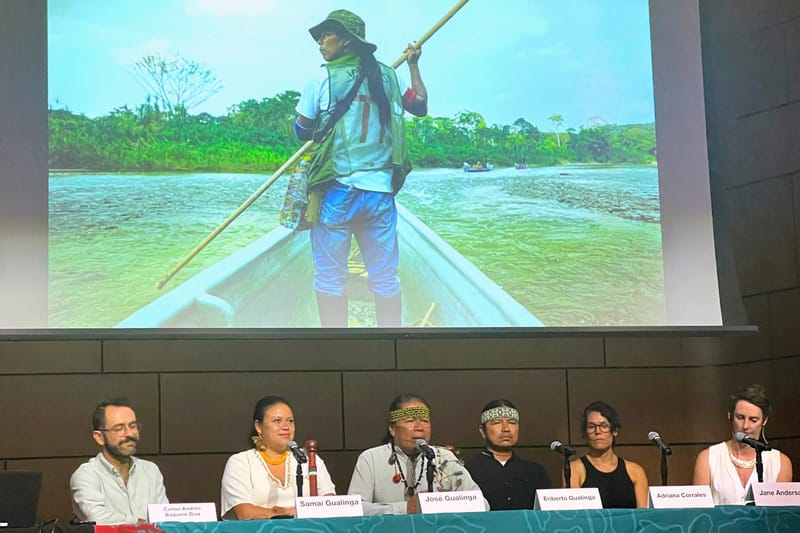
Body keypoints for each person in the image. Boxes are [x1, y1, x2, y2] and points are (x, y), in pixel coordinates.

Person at [295, 9, 428, 328]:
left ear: (346, 39)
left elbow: (303, 130)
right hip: (380, 196)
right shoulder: (388, 76)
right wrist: (413, 65)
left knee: (330, 280)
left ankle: (336, 352)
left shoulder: (323, 77)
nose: (320, 43)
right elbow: (420, 105)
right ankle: (390, 348)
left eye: (326, 35)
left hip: (339, 193)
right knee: (385, 279)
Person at [348, 393, 487, 514]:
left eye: (425, 421)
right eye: (410, 421)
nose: (419, 428)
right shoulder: (371, 458)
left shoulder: (444, 458)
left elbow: (483, 504)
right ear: (392, 429)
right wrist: (404, 509)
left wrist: (448, 503)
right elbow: (355, 509)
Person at [220, 396, 336, 519]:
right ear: (258, 426)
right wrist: (291, 512)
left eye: (290, 421)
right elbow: (245, 513)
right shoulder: (242, 462)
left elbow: (330, 504)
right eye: (277, 421)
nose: (286, 427)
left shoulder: (308, 458)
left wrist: (282, 511)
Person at [70, 399, 168, 524]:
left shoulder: (150, 471)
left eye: (133, 426)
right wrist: (140, 523)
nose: (130, 433)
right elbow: (97, 519)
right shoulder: (86, 475)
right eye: (119, 428)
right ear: (99, 437)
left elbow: (164, 519)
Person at [692, 384, 793, 505]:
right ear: (730, 416)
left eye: (753, 420)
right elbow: (698, 513)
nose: (745, 426)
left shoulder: (780, 462)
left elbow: (780, 516)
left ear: (764, 420)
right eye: (740, 417)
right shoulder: (708, 458)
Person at [465, 399, 550, 510]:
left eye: (512, 423)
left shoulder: (535, 471)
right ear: (482, 431)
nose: (506, 429)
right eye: (497, 423)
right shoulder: (469, 471)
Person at [564, 401, 648, 508]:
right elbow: (575, 516)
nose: (597, 431)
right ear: (585, 433)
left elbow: (643, 516)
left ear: (615, 431)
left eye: (603, 425)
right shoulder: (574, 469)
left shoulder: (635, 471)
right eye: (591, 426)